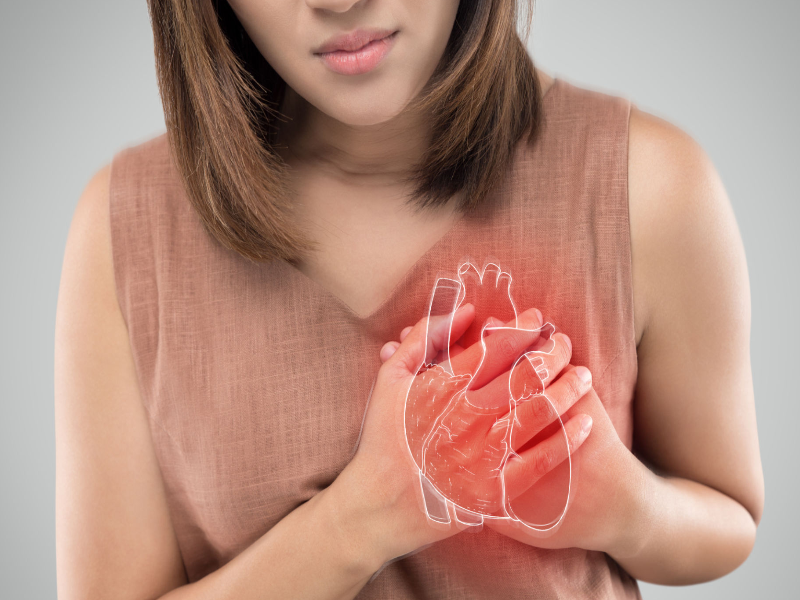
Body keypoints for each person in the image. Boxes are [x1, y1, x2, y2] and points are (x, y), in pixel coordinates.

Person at [54, 0, 764, 598]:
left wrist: (623, 510)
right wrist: (361, 521)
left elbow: (731, 518)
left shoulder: (654, 184)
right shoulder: (125, 224)